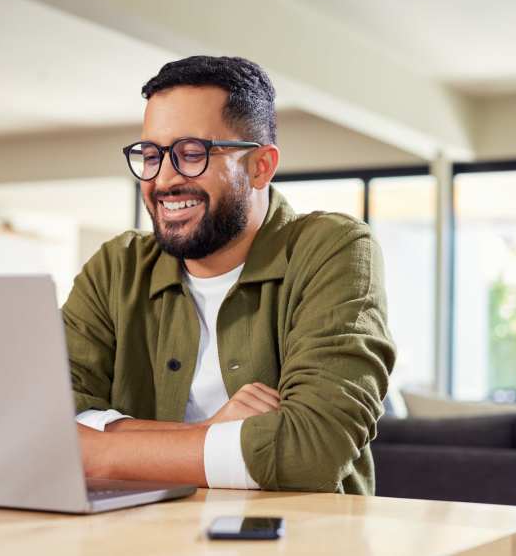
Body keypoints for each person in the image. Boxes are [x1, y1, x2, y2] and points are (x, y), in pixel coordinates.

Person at [65, 55, 395, 494]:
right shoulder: (116, 267)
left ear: (260, 166)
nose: (163, 180)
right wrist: (214, 436)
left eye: (191, 154)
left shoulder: (333, 249)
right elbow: (43, 421)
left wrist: (97, 452)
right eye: (150, 155)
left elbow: (312, 450)